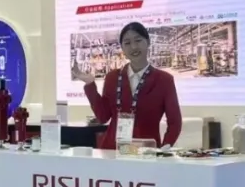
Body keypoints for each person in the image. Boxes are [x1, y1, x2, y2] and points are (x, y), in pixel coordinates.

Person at [74, 22, 182, 150]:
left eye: (138, 40)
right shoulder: (112, 78)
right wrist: (90, 85)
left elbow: (175, 122)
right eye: (127, 43)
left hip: (146, 152)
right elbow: (103, 117)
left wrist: (165, 148)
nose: (133, 47)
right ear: (122, 48)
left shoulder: (164, 80)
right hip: (112, 151)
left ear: (148, 42)